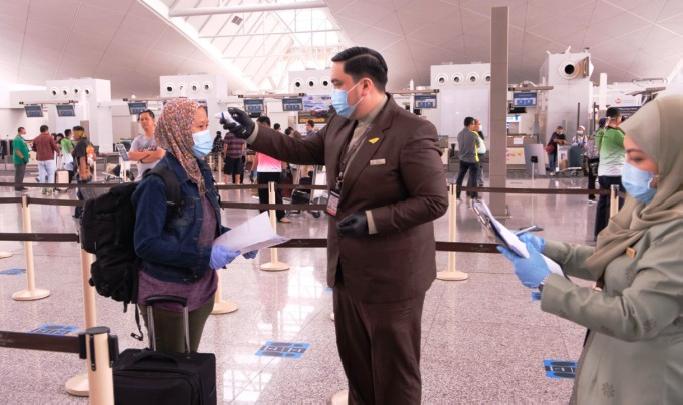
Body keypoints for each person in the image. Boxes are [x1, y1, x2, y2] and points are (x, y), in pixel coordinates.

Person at [223, 46, 448, 404]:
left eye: (337, 83)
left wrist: (372, 220)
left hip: (392, 277)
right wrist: (253, 132)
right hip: (346, 270)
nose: (333, 91)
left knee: (394, 373)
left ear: (365, 85)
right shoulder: (341, 122)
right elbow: (301, 150)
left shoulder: (412, 130)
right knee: (357, 367)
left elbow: (433, 200)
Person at [497, 95, 683, 404]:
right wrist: (549, 250)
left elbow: (635, 316)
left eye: (638, 159)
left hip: (648, 380)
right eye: (626, 155)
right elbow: (613, 259)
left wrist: (548, 284)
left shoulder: (676, 230)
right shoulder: (648, 206)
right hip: (611, 361)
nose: (628, 167)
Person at [132, 99, 256, 353]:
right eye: (199, 127)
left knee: (190, 362)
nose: (205, 133)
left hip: (201, 289)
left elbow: (203, 220)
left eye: (206, 125)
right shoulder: (157, 182)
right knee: (171, 366)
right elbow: (146, 244)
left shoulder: (200, 170)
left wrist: (235, 239)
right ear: (178, 130)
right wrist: (204, 255)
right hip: (167, 295)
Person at [594, 107, 625, 238]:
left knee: (603, 203)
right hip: (615, 174)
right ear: (618, 118)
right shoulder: (616, 133)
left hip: (603, 174)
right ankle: (613, 235)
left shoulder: (601, 132)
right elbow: (632, 145)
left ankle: (599, 233)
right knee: (617, 205)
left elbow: (599, 147)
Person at [253, 116, 290, 223]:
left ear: (265, 124)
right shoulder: (258, 138)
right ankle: (264, 216)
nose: (257, 127)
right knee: (262, 194)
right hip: (262, 170)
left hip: (275, 170)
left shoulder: (276, 136)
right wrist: (253, 170)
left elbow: (282, 152)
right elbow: (257, 155)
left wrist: (284, 168)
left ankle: (280, 215)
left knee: (277, 194)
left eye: (259, 125)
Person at [128, 109, 165, 181]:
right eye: (141, 119)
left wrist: (141, 160)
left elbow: (159, 154)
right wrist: (150, 153)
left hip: (157, 179)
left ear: (153, 120)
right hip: (140, 179)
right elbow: (130, 155)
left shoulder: (160, 137)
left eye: (146, 119)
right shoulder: (138, 140)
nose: (144, 121)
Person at [455, 116, 481, 201]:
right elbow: (478, 146)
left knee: (460, 177)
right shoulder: (474, 135)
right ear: (470, 124)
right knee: (473, 178)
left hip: (462, 159)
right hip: (472, 160)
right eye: (473, 124)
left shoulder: (459, 134)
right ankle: (474, 197)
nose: (474, 125)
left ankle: (457, 195)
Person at [72, 126, 95, 219]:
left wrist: (83, 173)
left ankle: (83, 213)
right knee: (83, 192)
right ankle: (79, 213)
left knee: (83, 193)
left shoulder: (81, 144)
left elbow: (82, 159)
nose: (73, 135)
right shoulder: (88, 142)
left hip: (83, 171)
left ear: (78, 133)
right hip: (89, 170)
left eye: (74, 133)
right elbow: (94, 157)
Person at [32, 124, 61, 194]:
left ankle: (43, 190)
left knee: (41, 175)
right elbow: (54, 146)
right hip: (49, 159)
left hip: (40, 159)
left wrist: (39, 151)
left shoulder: (36, 138)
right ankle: (50, 190)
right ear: (47, 130)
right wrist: (59, 152)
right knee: (50, 174)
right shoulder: (50, 137)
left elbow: (34, 148)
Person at [585, 118, 606, 204]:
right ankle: (603, 196)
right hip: (598, 158)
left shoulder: (594, 132)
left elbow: (587, 145)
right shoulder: (603, 132)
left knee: (592, 178)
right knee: (602, 178)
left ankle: (591, 196)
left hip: (591, 158)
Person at [12, 127, 29, 191]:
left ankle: (20, 186)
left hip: (23, 160)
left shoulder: (21, 138)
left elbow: (24, 145)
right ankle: (17, 187)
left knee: (21, 174)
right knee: (19, 174)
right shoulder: (17, 139)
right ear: (20, 130)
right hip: (19, 160)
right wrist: (23, 158)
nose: (25, 131)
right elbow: (17, 150)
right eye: (24, 130)